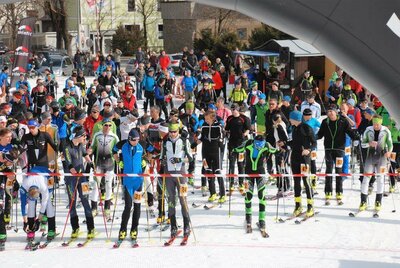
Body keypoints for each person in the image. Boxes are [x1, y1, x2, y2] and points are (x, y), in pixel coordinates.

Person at [317, 104, 360, 205]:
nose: (330, 113)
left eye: (332, 111)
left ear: (336, 112)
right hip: (328, 150)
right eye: (328, 112)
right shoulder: (325, 122)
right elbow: (320, 134)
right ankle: (328, 193)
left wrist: (355, 136)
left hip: (339, 150)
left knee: (339, 172)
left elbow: (350, 132)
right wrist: (311, 138)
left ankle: (339, 193)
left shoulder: (343, 121)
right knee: (328, 171)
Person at [233, 135, 277, 232]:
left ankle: (262, 219)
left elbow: (275, 150)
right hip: (249, 174)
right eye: (257, 144)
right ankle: (248, 217)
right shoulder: (248, 143)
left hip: (260, 174)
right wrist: (233, 150)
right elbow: (239, 148)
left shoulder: (266, 145)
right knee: (249, 196)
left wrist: (281, 151)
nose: (259, 146)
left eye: (260, 144)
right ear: (254, 141)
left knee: (262, 196)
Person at [160, 122, 193, 240]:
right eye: (171, 132)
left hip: (181, 173)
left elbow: (190, 157)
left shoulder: (184, 141)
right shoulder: (165, 141)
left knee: (183, 199)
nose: (172, 134)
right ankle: (173, 225)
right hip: (169, 174)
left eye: (175, 132)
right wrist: (163, 161)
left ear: (178, 132)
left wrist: (179, 159)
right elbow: (161, 156)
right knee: (171, 200)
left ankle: (186, 226)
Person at [63, 127, 95, 240]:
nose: (85, 138)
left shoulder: (81, 145)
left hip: (82, 179)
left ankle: (91, 228)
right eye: (83, 136)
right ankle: (75, 228)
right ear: (77, 136)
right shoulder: (67, 147)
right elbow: (69, 164)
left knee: (86, 200)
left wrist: (90, 163)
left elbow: (85, 155)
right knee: (72, 202)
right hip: (71, 179)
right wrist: (74, 171)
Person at [113, 129, 144, 242]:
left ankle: (134, 229)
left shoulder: (142, 145)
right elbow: (113, 150)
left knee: (137, 206)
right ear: (129, 139)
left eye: (138, 140)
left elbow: (153, 151)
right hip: (127, 182)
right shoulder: (123, 144)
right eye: (134, 140)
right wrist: (118, 161)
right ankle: (122, 230)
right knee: (128, 206)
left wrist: (145, 161)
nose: (136, 142)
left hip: (138, 182)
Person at [359, 115, 393, 213]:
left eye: (377, 124)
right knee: (366, 179)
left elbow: (390, 145)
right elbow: (362, 143)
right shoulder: (368, 130)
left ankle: (378, 201)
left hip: (382, 158)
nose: (376, 126)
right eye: (374, 124)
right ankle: (363, 201)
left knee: (380, 179)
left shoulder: (386, 131)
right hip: (370, 158)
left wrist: (389, 152)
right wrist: (369, 143)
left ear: (381, 123)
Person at [288, 110, 317, 217]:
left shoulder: (306, 128)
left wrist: (308, 150)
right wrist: (285, 143)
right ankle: (298, 205)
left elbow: (314, 142)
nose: (289, 120)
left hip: (304, 159)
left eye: (291, 118)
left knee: (306, 181)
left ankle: (310, 206)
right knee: (296, 182)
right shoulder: (294, 128)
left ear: (295, 118)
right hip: (295, 157)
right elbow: (295, 143)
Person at [192, 110, 225, 203]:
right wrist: (195, 144)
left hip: (215, 150)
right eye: (205, 118)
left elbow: (222, 136)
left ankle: (222, 194)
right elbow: (202, 138)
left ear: (212, 118)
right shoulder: (204, 126)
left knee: (217, 171)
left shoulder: (218, 126)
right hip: (206, 150)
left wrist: (221, 143)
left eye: (207, 118)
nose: (205, 120)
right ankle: (212, 192)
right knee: (208, 171)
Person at [90, 119, 119, 219]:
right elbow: (92, 147)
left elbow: (117, 149)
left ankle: (107, 208)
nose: (107, 127)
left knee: (108, 186)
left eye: (109, 125)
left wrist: (119, 159)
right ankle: (93, 208)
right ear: (102, 125)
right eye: (105, 125)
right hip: (98, 164)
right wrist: (89, 151)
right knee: (95, 185)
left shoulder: (114, 137)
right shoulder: (97, 135)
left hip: (110, 164)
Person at [225, 103, 251, 194]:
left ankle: (241, 184)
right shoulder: (230, 118)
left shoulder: (244, 118)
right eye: (232, 110)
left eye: (234, 109)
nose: (233, 111)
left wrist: (245, 134)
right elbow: (227, 128)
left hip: (241, 144)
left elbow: (249, 129)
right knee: (231, 164)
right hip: (232, 143)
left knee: (241, 165)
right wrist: (226, 133)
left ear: (238, 109)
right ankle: (231, 184)